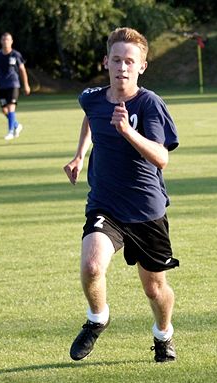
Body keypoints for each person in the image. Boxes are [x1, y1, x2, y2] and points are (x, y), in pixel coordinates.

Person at [62, 27, 180, 363]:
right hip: (106, 204)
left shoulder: (149, 104)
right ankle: (97, 318)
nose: (122, 67)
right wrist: (80, 155)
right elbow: (91, 116)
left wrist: (128, 131)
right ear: (106, 62)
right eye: (116, 60)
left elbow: (161, 157)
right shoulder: (93, 97)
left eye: (130, 61)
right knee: (91, 265)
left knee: (154, 289)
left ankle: (163, 334)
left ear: (142, 66)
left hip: (146, 210)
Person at [0, 33, 30, 140]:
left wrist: (26, 85)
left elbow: (22, 70)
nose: (5, 41)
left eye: (7, 39)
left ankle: (10, 132)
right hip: (2, 85)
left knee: (11, 107)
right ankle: (17, 125)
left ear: (11, 41)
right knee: (4, 110)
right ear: (1, 41)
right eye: (3, 39)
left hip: (13, 84)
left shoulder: (16, 54)